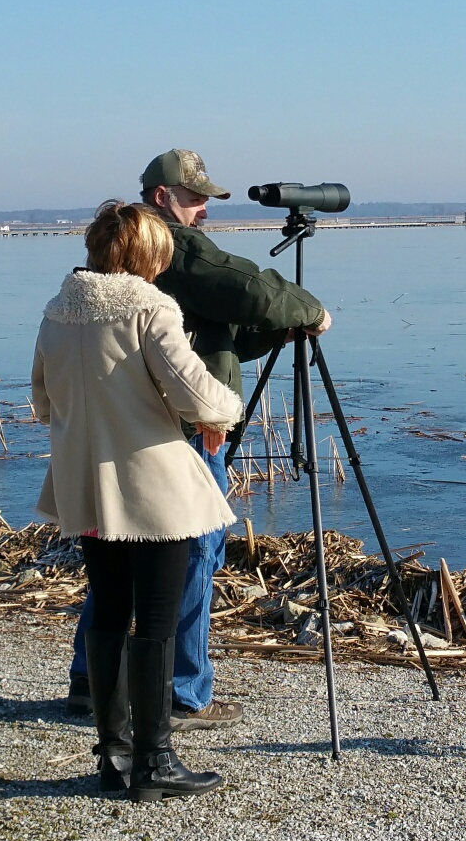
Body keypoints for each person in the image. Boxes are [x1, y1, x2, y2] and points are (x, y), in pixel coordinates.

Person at [67, 148, 330, 726]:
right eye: (195, 197)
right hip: (181, 433)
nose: (204, 208)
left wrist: (272, 333)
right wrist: (307, 309)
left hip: (121, 434)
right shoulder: (169, 248)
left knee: (115, 564)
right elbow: (245, 291)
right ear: (162, 197)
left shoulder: (101, 273)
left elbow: (219, 332)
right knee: (189, 556)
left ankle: (95, 683)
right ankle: (180, 694)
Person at [31, 201, 244, 800]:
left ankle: (115, 756)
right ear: (146, 253)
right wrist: (226, 410)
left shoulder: (57, 313)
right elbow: (192, 389)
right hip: (154, 489)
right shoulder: (150, 309)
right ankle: (155, 761)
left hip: (86, 487)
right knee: (154, 619)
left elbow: (44, 400)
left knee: (105, 609)